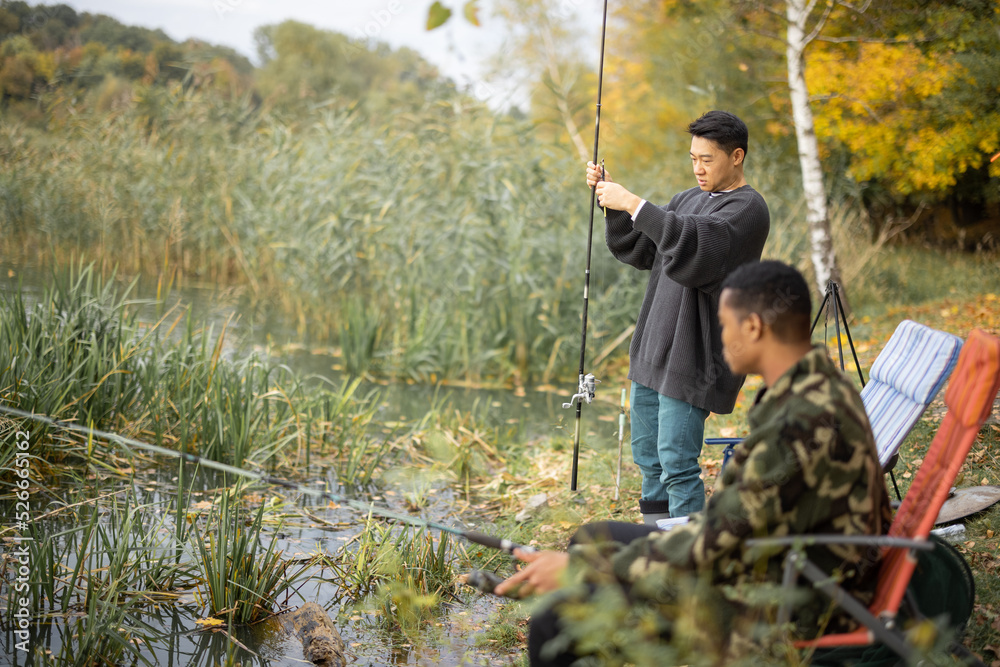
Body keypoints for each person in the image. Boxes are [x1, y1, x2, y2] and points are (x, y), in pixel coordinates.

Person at [495, 260, 893, 665]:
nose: (721, 339)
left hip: (788, 604)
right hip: (773, 562)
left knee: (556, 619)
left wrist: (584, 572)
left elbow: (711, 544)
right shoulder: (820, 381)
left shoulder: (799, 423)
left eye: (724, 325)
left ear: (754, 327)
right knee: (593, 538)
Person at [589, 110, 771, 524]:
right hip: (654, 349)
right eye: (693, 158)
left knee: (677, 464)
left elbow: (697, 249)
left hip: (695, 358)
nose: (698, 167)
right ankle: (656, 548)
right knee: (649, 461)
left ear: (737, 156)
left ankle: (690, 563)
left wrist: (634, 202)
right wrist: (613, 201)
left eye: (707, 159)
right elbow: (644, 247)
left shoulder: (748, 209)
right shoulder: (689, 198)